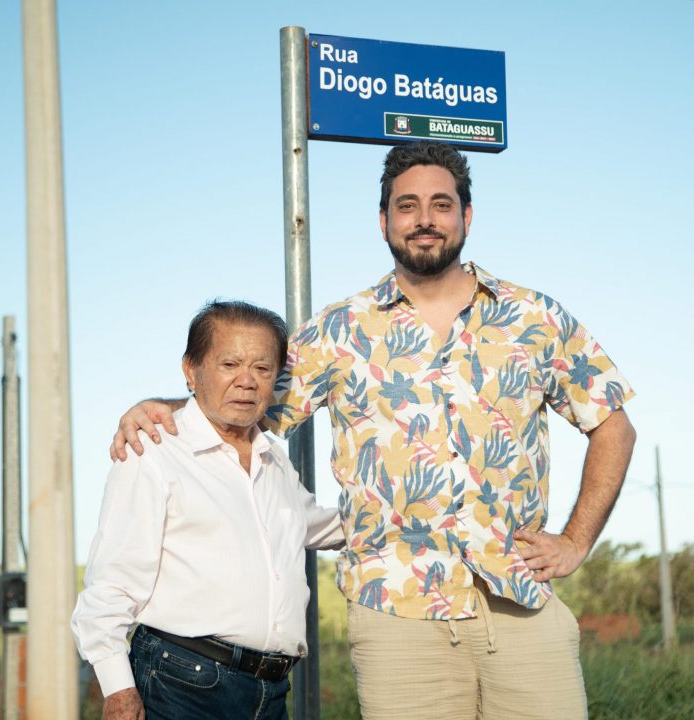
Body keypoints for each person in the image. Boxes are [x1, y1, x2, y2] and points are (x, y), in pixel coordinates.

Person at [110, 141, 637, 720]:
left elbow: (613, 425)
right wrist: (159, 403)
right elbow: (241, 399)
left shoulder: (536, 318)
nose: (426, 219)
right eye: (408, 206)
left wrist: (575, 540)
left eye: (441, 204)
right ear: (385, 221)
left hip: (519, 605)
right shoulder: (340, 330)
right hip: (397, 620)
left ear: (467, 215)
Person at [72, 300, 343, 720]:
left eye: (262, 368)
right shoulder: (154, 452)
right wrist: (117, 689)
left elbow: (322, 526)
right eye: (229, 364)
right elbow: (111, 583)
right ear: (191, 370)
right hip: (183, 686)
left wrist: (413, 512)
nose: (247, 382)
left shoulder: (274, 462)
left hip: (270, 692)